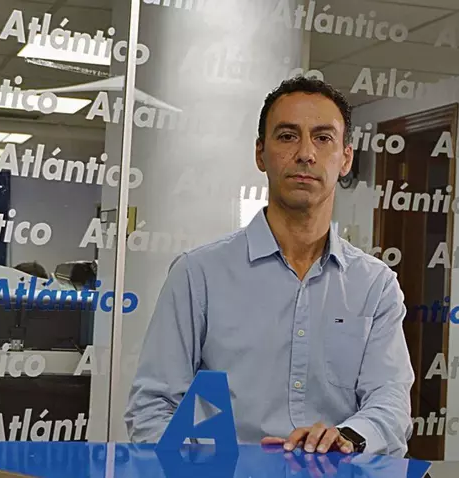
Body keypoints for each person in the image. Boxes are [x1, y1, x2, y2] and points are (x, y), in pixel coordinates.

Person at [124, 76, 414, 457]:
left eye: (323, 138)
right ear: (260, 154)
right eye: (288, 136)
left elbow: (390, 405)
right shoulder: (198, 275)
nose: (306, 153)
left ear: (346, 158)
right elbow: (153, 407)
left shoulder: (375, 286)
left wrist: (348, 436)